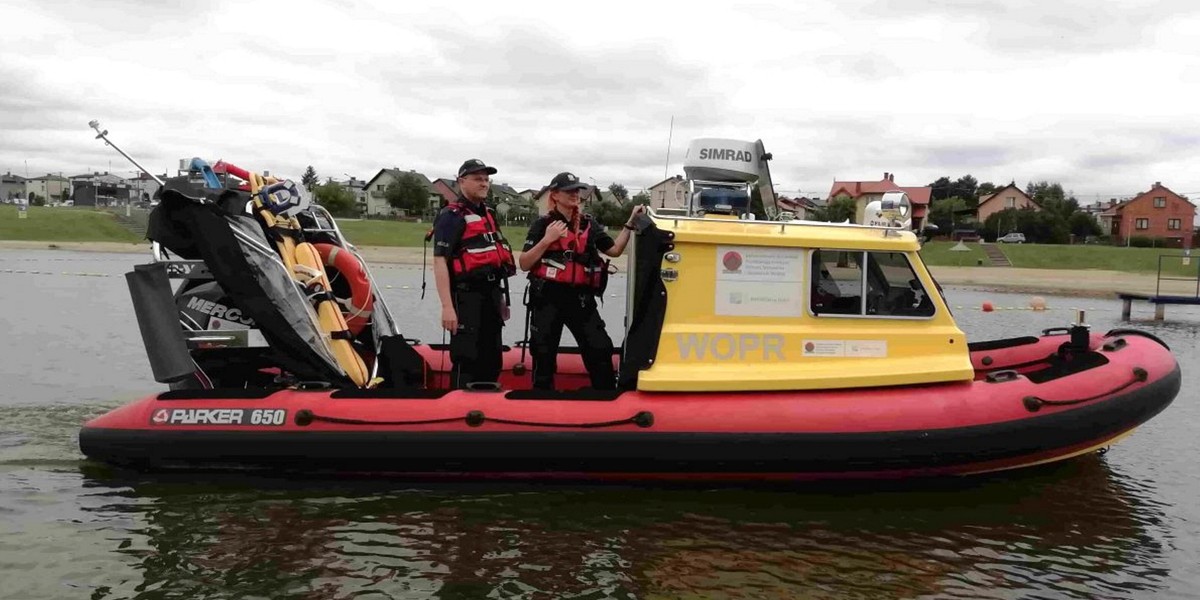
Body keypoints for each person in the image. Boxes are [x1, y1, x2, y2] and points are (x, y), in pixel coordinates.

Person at [519, 172, 646, 390]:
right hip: (547, 297)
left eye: (577, 190)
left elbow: (614, 251)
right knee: (544, 352)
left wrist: (630, 223)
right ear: (555, 195)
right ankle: (542, 399)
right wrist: (547, 241)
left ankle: (605, 395)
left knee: (599, 348)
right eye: (569, 191)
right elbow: (524, 263)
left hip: (580, 299)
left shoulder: (589, 224)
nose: (575, 195)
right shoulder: (543, 225)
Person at [431, 159, 517, 388]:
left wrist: (499, 298)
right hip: (465, 298)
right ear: (462, 182)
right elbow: (440, 261)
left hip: (491, 295)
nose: (484, 184)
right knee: (467, 359)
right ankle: (458, 410)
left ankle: (487, 407)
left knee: (492, 357)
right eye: (478, 179)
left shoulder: (487, 214)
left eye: (487, 179)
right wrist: (447, 307)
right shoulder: (451, 216)